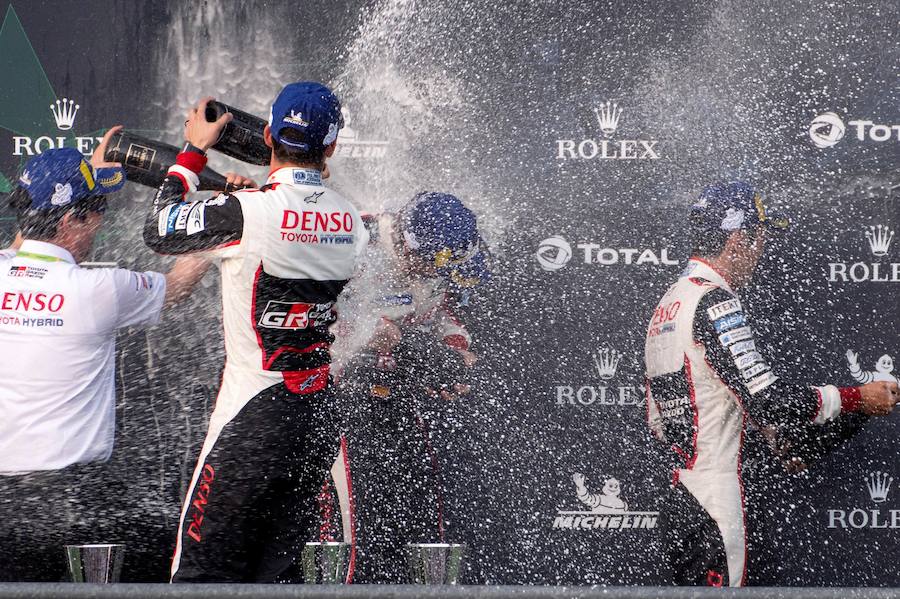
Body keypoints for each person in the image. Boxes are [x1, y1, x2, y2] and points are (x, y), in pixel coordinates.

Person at [142, 83, 368, 583]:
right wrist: (247, 202)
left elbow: (160, 229)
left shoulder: (246, 214)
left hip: (250, 415)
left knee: (201, 576)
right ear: (330, 147)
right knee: (277, 577)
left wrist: (194, 152)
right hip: (316, 416)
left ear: (267, 134)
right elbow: (295, 228)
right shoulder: (352, 222)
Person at [643, 180, 899, 588]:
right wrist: (855, 397)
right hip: (717, 509)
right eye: (760, 239)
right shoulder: (713, 300)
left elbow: (665, 420)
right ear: (738, 238)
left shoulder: (669, 304)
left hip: (683, 502)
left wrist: (778, 440)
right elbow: (771, 402)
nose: (761, 253)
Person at [0, 136, 208, 582]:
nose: (99, 222)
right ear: (74, 219)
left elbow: (30, 233)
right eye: (97, 211)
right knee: (174, 543)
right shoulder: (102, 289)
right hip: (72, 500)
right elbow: (180, 283)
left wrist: (82, 169)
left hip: (6, 504)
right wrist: (219, 220)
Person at [333, 191, 489, 582]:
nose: (435, 276)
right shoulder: (352, 240)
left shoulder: (439, 258)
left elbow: (446, 316)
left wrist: (456, 353)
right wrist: (366, 339)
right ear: (405, 243)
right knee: (354, 526)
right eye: (429, 266)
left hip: (398, 396)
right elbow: (319, 321)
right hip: (339, 403)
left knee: (419, 516)